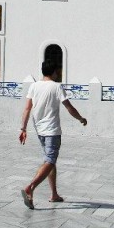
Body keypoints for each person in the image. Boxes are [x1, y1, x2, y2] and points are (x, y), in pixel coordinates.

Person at [18, 60, 87, 209]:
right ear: (54, 71)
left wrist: (23, 129)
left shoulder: (34, 86)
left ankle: (54, 194)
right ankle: (30, 187)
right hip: (52, 130)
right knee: (50, 159)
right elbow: (69, 107)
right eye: (58, 71)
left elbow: (27, 109)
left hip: (40, 130)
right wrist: (81, 118)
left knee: (50, 161)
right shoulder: (56, 87)